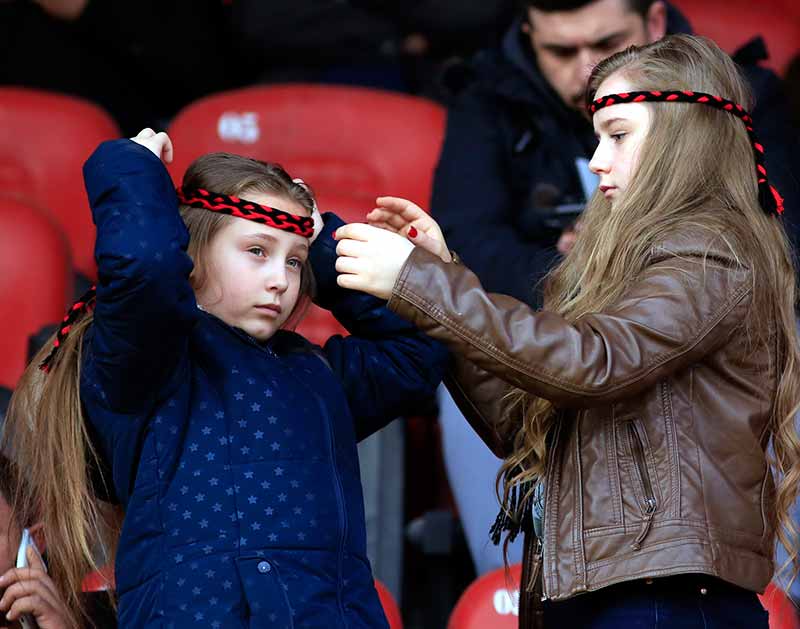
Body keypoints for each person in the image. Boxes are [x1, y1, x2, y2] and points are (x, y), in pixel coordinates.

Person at [334, 34, 800, 627]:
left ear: (684, 142)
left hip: (665, 597)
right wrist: (441, 274)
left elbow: (590, 363)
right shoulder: (630, 265)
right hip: (598, 589)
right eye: (597, 135)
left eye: (620, 135)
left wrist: (423, 285)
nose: (597, 160)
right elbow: (519, 421)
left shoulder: (710, 255)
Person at [2, 129, 448, 628]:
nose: (281, 279)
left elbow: (418, 352)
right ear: (190, 254)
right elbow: (144, 271)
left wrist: (324, 245)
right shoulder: (146, 361)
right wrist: (131, 168)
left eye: (294, 261)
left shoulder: (317, 374)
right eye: (257, 251)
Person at [428, 0, 800, 576]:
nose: (584, 69)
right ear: (528, 36)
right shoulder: (487, 94)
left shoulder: (715, 229)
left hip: (670, 576)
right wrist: (558, 271)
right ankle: (499, 588)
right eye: (560, 50)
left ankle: (785, 590)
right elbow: (473, 239)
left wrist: (432, 289)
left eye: (605, 44)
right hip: (550, 318)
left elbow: (782, 236)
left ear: (653, 21)